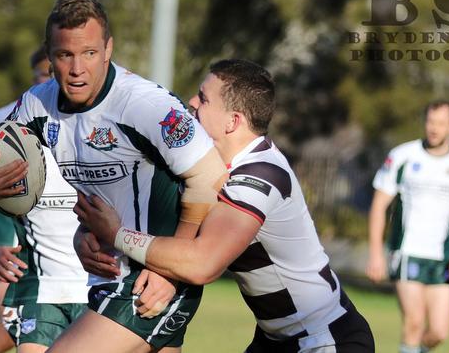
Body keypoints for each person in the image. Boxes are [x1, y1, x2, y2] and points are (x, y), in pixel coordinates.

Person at [0, 0, 227, 353]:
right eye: (65, 54)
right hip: (106, 275)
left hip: (152, 276)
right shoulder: (37, 104)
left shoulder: (144, 105)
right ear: (49, 55)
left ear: (107, 49)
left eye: (88, 53)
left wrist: (170, 269)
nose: (76, 69)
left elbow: (210, 177)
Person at [74, 59, 375, 352]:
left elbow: (202, 264)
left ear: (233, 121)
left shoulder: (260, 175)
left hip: (324, 338)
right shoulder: (210, 167)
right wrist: (86, 237)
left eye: (204, 99)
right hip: (276, 340)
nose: (191, 102)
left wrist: (117, 234)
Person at [0, 46, 89, 353]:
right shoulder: (18, 151)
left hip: (100, 293)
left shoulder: (109, 142)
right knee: (6, 333)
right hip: (40, 294)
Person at [366, 101, 449, 353]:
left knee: (439, 332)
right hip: (407, 252)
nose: (434, 129)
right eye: (430, 122)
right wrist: (376, 254)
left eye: (440, 123)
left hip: (442, 257)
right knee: (414, 322)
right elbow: (379, 206)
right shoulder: (403, 156)